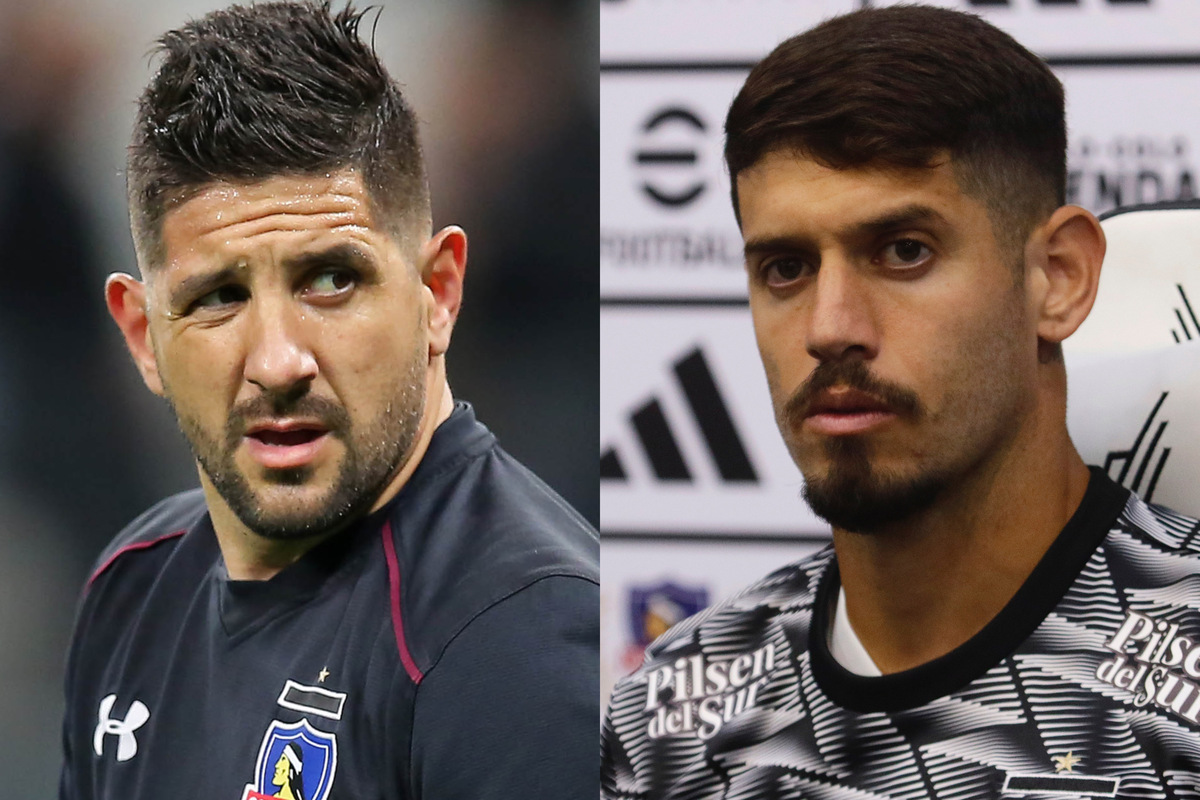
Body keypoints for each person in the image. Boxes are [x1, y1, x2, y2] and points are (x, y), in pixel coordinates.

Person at [602, 6, 1200, 799]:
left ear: (1058, 277)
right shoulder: (671, 717)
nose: (829, 328)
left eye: (904, 251)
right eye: (786, 267)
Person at [59, 3, 598, 798]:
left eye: (331, 280)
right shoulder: (131, 590)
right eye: (218, 296)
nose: (279, 362)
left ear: (437, 293)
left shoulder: (519, 641)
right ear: (143, 336)